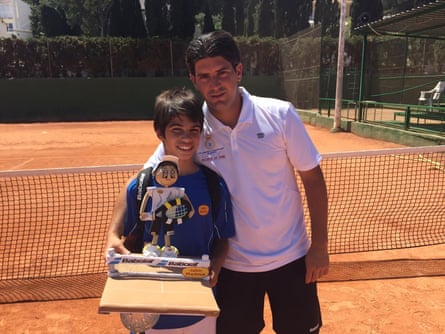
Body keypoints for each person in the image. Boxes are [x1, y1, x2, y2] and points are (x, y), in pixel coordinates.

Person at [145, 30, 329, 334]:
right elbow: (144, 180)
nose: (214, 84)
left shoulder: (280, 115)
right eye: (204, 76)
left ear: (239, 71)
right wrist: (115, 233)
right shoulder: (192, 131)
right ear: (193, 79)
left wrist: (320, 245)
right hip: (231, 269)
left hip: (293, 259)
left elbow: (313, 178)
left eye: (222, 73)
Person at [106, 87, 235, 333]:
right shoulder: (141, 186)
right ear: (159, 132)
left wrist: (215, 269)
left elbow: (222, 240)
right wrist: (113, 237)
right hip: (150, 310)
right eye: (177, 130)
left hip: (199, 307)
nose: (186, 139)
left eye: (193, 131)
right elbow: (126, 239)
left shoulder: (214, 186)